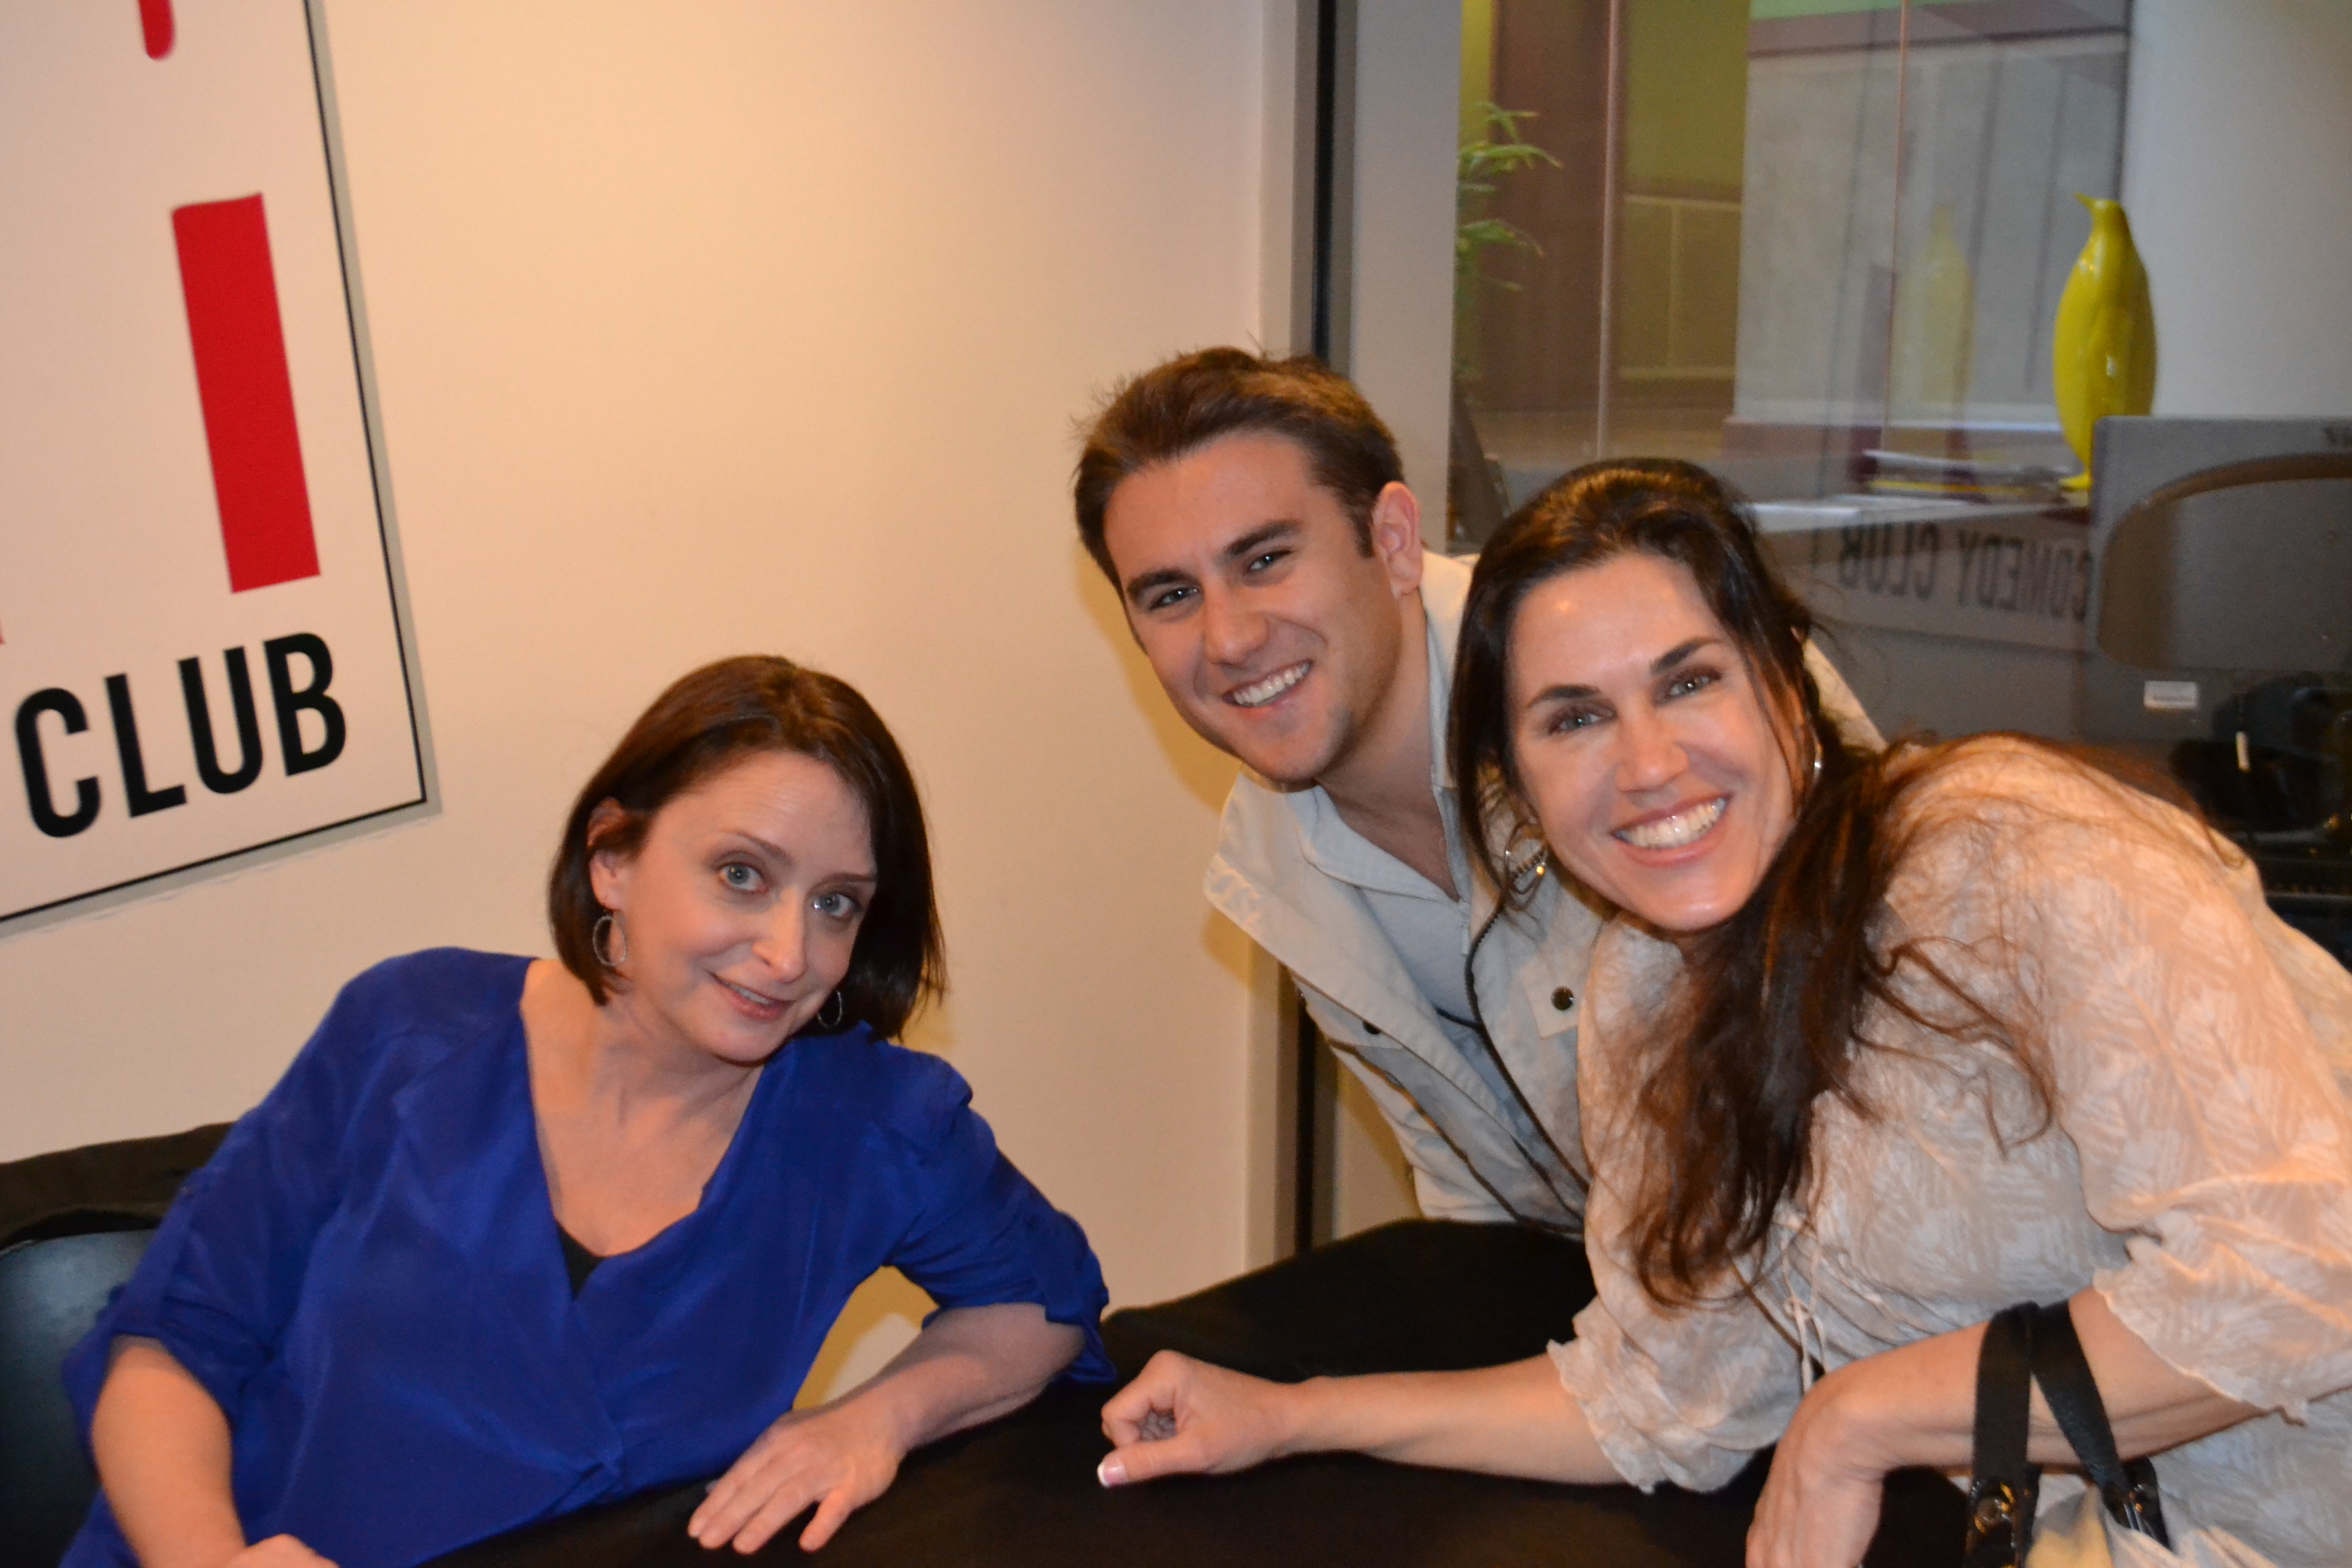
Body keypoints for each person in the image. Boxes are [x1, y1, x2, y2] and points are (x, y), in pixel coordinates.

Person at [1094, 461, 2352, 1568]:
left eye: (1688, 682)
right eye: (1574, 718)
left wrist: (1858, 1423)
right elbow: (1659, 1404)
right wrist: (1291, 1414)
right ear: (1520, 785)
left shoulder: (2010, 851)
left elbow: (2303, 1272)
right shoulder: (1644, 1002)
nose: (1647, 766)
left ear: (1788, 694)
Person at [65, 656, 1111, 1568]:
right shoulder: (406, 1032)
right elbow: (172, 1342)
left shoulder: (872, 1120)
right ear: (613, 858)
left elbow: (1043, 1308)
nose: (790, 955)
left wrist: (872, 1421)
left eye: (836, 902)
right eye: (742, 876)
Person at [1075, 348, 1879, 1232]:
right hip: (1590, 1280)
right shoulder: (1270, 857)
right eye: (1171, 595)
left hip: (1841, 1266)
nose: (1228, 638)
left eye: (1265, 559)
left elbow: (1905, 1028)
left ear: (1391, 542)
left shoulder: (1655, 659)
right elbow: (1470, 1200)